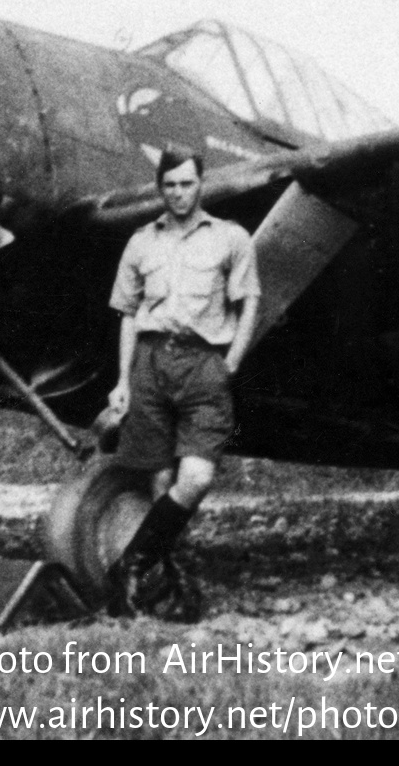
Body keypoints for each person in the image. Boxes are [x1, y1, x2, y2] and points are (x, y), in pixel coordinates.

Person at [105, 145, 260, 617]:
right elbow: (128, 315)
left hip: (202, 364)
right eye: (169, 185)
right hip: (150, 362)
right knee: (160, 477)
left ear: (201, 184)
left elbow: (249, 301)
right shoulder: (140, 242)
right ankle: (165, 582)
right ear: (160, 188)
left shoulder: (230, 238)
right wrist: (123, 380)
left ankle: (130, 565)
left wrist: (230, 361)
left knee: (197, 477)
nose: (178, 193)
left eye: (187, 183)